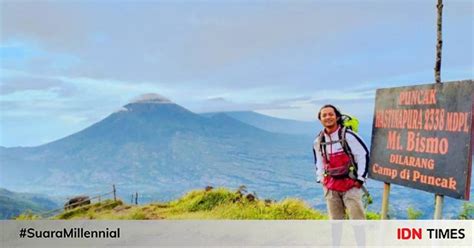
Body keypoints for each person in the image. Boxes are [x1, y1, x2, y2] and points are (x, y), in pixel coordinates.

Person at [313, 104, 369, 219]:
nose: (328, 117)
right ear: (320, 119)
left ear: (337, 117)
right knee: (335, 220)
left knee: (357, 219)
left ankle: (360, 238)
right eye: (324, 115)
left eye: (331, 114)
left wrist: (360, 179)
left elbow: (363, 155)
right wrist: (321, 179)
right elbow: (319, 160)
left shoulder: (349, 136)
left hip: (351, 184)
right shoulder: (319, 141)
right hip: (331, 185)